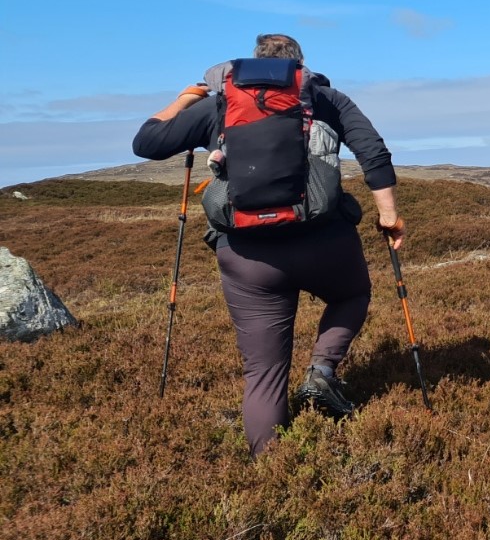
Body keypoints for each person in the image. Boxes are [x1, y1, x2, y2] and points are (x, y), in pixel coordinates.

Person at [132, 33, 406, 456]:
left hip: (247, 256)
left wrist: (184, 99)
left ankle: (271, 472)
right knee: (352, 293)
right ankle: (321, 369)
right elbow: (373, 152)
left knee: (262, 372)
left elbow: (146, 143)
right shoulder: (326, 99)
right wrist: (388, 215)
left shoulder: (219, 105)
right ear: (299, 67)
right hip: (324, 241)